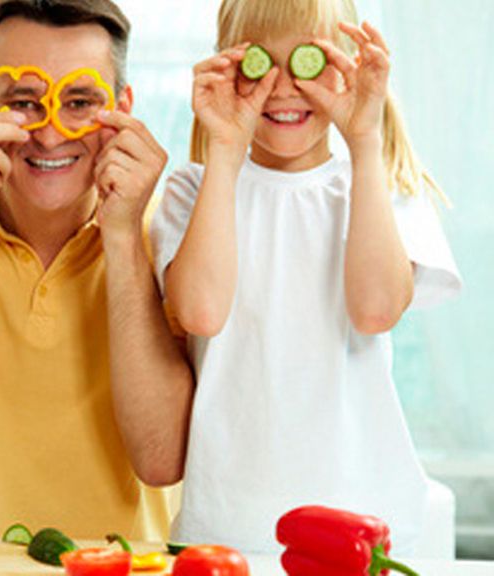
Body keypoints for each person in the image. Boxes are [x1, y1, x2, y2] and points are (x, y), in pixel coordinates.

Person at [151, 0, 462, 553]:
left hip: (366, 522)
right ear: (228, 66)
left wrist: (365, 140)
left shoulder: (384, 190)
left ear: (344, 66)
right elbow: (200, 311)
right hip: (227, 526)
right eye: (260, 65)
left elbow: (375, 310)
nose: (285, 87)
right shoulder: (194, 191)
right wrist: (224, 144)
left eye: (308, 62)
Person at [0, 0, 193, 540]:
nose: (50, 134)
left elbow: (160, 458)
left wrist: (122, 237)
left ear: (123, 108)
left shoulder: (169, 239)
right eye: (23, 102)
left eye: (79, 102)